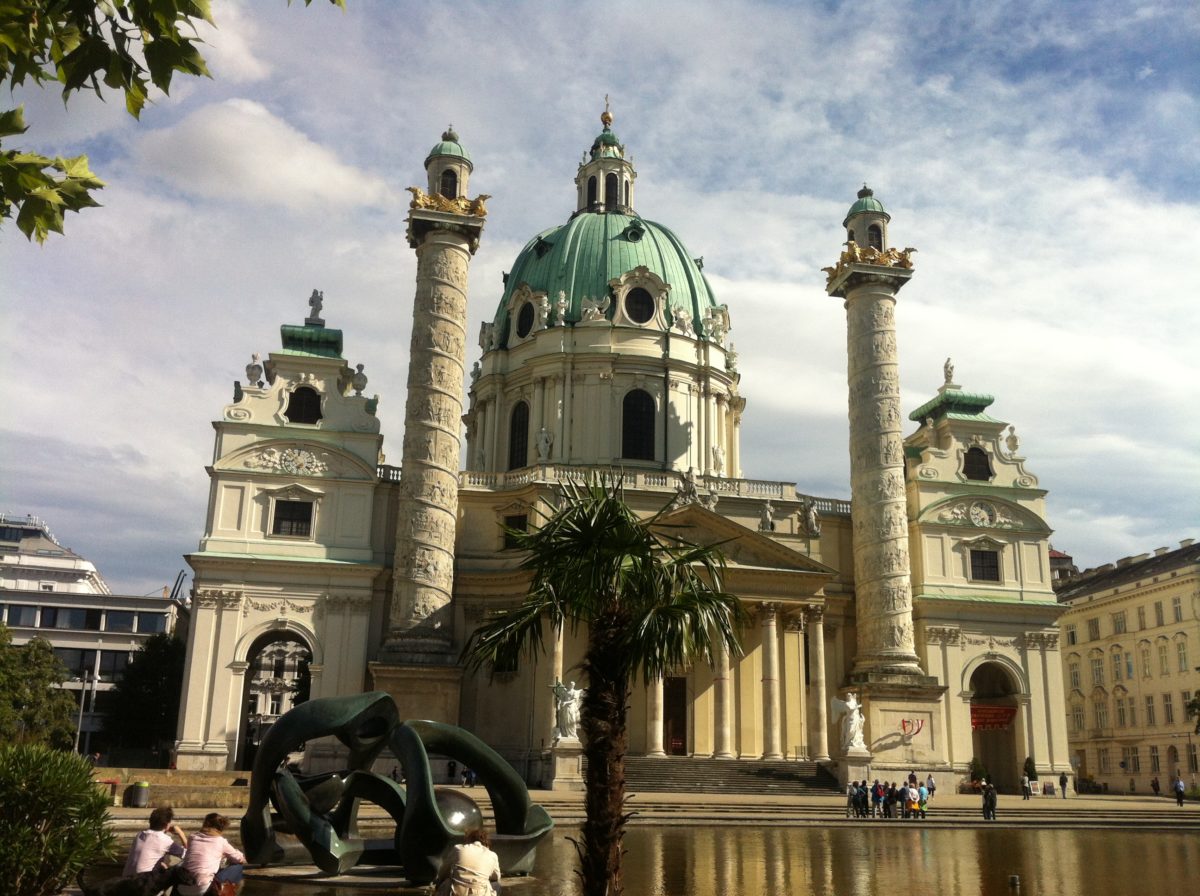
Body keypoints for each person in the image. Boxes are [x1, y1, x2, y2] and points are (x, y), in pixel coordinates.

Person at [177, 813, 245, 896]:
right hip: (202, 888)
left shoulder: (193, 837)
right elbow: (240, 859)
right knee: (238, 867)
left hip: (182, 887)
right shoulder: (221, 841)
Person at [433, 828, 502, 896]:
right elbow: (496, 877)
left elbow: (444, 871)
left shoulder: (458, 849)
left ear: (468, 839)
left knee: (446, 880)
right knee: (496, 884)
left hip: (457, 892)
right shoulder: (492, 855)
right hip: (480, 893)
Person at [123, 806, 188, 877]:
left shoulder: (140, 834)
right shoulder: (165, 840)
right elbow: (188, 854)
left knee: (162, 862)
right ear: (167, 825)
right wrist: (181, 833)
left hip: (126, 880)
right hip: (142, 883)